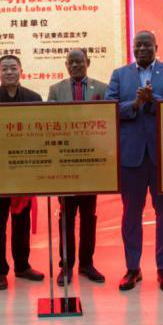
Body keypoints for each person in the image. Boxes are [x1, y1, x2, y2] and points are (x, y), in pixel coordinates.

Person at [105, 31, 163, 293]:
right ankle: (133, 268)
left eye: (147, 45)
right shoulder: (120, 75)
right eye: (137, 45)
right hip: (131, 157)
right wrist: (135, 104)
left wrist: (154, 101)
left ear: (156, 47)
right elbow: (109, 109)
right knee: (131, 214)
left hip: (162, 154)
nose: (142, 49)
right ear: (132, 47)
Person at [0, 54, 45, 290]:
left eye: (13, 68)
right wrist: (4, 162)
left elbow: (39, 134)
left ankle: (22, 266)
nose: (9, 72)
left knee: (21, 222)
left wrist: (23, 162)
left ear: (21, 71)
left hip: (24, 172)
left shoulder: (34, 99)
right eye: (4, 68)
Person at [47, 49, 107, 285]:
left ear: (87, 62)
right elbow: (49, 123)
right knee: (66, 217)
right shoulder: (55, 90)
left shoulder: (102, 88)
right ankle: (66, 265)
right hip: (65, 163)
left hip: (92, 162)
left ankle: (86, 263)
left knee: (88, 216)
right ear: (66, 65)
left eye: (79, 61)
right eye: (71, 62)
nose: (75, 65)